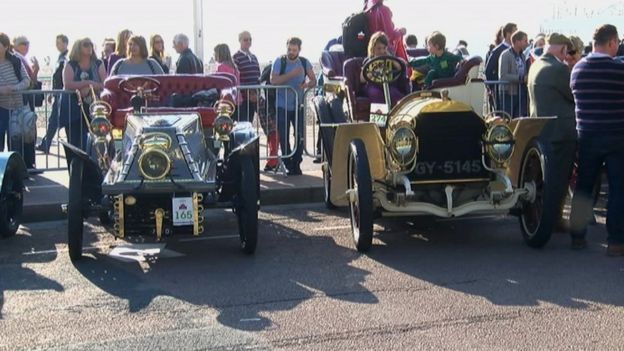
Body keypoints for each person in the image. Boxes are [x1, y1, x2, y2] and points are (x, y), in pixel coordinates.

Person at [569, 24, 624, 256]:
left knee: (584, 186)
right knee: (618, 188)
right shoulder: (619, 70)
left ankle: (578, 236)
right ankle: (616, 241)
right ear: (611, 42)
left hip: (587, 135)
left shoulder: (577, 69)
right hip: (616, 136)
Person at [527, 33, 576, 235]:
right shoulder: (558, 69)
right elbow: (574, 95)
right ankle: (555, 220)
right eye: (568, 51)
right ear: (563, 49)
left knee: (546, 179)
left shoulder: (535, 65)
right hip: (561, 133)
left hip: (540, 130)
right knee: (560, 180)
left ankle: (544, 219)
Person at [270, 37, 316, 176]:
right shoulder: (280, 61)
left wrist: (306, 85)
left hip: (299, 104)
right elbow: (274, 80)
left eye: (294, 50)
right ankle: (287, 161)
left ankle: (296, 162)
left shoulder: (304, 62)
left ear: (299, 50)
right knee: (283, 135)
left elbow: (313, 80)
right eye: (289, 49)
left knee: (300, 135)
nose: (291, 52)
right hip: (282, 105)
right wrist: (291, 74)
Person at [61, 38, 106, 149]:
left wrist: (91, 86)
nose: (89, 47)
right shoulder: (71, 65)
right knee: (75, 143)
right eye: (86, 45)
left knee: (97, 141)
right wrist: (86, 83)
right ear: (78, 47)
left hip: (95, 109)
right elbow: (68, 85)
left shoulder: (98, 63)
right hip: (74, 109)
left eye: (91, 44)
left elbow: (105, 84)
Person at [37, 34, 68, 154]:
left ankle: (46, 143)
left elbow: (61, 77)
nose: (57, 45)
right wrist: (52, 92)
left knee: (55, 120)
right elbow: (56, 77)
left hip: (62, 94)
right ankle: (46, 143)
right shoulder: (60, 57)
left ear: (65, 43)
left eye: (59, 43)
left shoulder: (66, 58)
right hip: (57, 93)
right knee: (53, 120)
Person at [0, 33, 31, 155]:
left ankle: (15, 170)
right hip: (1, 108)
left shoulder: (15, 61)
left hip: (17, 108)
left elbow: (26, 80)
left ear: (6, 46)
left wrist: (14, 88)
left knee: (16, 144)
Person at [12, 35, 39, 170]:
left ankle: (27, 163)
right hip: (19, 101)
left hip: (25, 99)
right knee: (22, 132)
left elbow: (30, 82)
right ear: (14, 45)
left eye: (28, 43)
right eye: (23, 43)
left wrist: (36, 70)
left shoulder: (23, 59)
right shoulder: (16, 58)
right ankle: (24, 164)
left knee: (27, 131)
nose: (26, 46)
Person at [363, 32, 405, 104]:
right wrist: (372, 73)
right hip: (373, 85)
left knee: (395, 94)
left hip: (389, 84)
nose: (382, 51)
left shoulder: (391, 59)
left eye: (384, 48)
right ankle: (379, 115)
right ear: (372, 48)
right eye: (379, 48)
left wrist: (391, 57)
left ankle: (398, 114)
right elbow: (362, 79)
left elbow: (400, 68)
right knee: (376, 94)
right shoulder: (368, 60)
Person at [498, 30, 529, 117]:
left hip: (520, 92)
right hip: (508, 93)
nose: (527, 43)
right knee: (508, 118)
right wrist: (521, 78)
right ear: (517, 41)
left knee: (519, 119)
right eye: (525, 41)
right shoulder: (505, 55)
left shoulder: (522, 56)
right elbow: (503, 76)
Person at [233, 31, 261, 123]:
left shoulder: (254, 57)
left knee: (249, 123)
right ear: (239, 41)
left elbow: (258, 77)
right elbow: (236, 79)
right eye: (246, 40)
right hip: (242, 100)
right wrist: (248, 93)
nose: (248, 41)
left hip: (253, 98)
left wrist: (256, 93)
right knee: (242, 124)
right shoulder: (235, 58)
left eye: (250, 39)